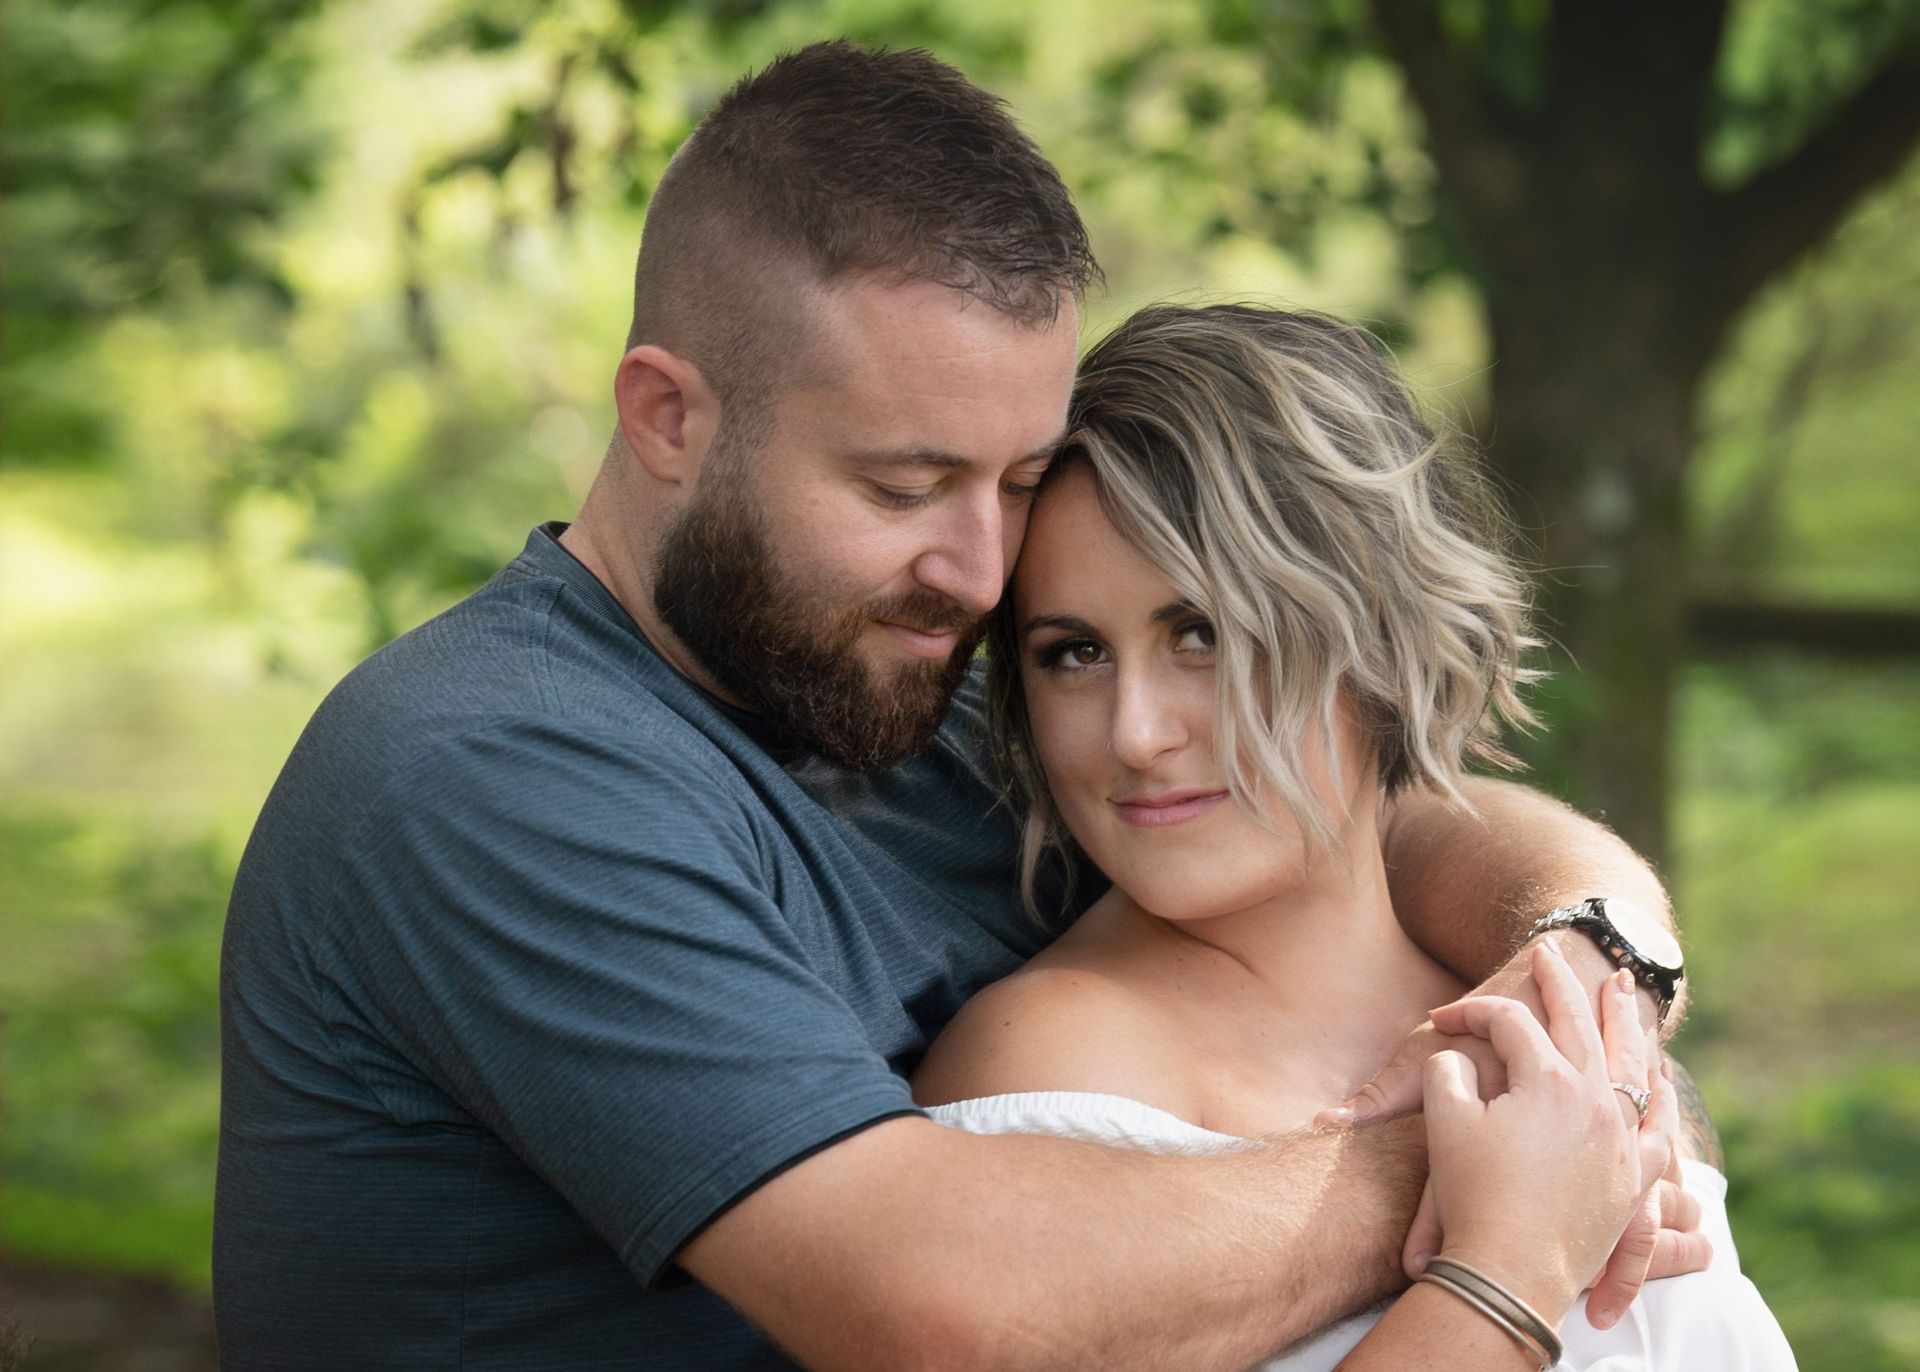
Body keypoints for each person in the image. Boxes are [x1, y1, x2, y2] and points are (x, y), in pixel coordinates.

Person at [216, 43, 1705, 1370]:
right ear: (669, 417)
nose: (980, 569)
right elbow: (942, 1315)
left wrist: (1592, 967)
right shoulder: (493, 770)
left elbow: (1366, 804)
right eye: (902, 485)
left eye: (1014, 483)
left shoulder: (889, 669)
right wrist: (1498, 1159)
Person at [913, 303, 1794, 1368]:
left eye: (1202, 634)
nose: (1136, 734)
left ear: (1373, 634)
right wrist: (1505, 1267)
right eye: (1072, 653)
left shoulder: (1553, 1020)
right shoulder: (1048, 1066)